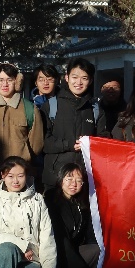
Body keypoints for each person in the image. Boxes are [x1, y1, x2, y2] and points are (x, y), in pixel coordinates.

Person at [44, 164, 100, 268]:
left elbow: (90, 235)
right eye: (69, 179)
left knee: (95, 249)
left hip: (72, 256)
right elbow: (61, 242)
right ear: (60, 180)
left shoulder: (81, 203)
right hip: (55, 256)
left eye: (78, 180)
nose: (73, 184)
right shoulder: (51, 202)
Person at [42, 58, 101, 190]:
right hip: (55, 178)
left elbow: (103, 138)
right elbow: (44, 142)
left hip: (84, 179)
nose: (79, 82)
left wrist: (91, 143)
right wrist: (69, 144)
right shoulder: (51, 106)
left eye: (84, 78)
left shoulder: (95, 109)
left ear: (91, 80)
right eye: (75, 77)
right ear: (67, 77)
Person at [0, 62, 45, 190]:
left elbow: (36, 144)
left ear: (17, 81)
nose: (5, 84)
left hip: (20, 176)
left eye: (9, 80)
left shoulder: (29, 108)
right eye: (0, 80)